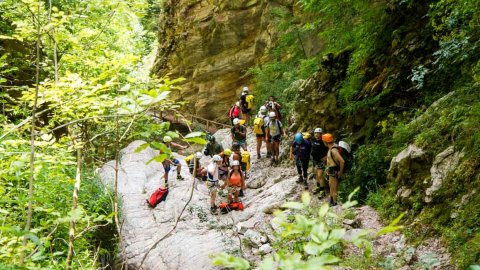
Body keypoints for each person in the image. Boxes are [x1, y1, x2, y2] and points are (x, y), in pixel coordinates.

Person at [322, 133, 345, 206]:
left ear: (325, 142)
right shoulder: (331, 148)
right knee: (331, 185)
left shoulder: (333, 150)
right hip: (331, 169)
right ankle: (331, 200)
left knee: (334, 186)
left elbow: (342, 161)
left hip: (334, 169)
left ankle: (334, 203)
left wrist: (340, 172)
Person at [311, 128, 329, 196]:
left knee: (320, 175)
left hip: (321, 161)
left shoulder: (324, 142)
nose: (316, 134)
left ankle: (322, 190)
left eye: (318, 133)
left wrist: (326, 157)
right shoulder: (314, 140)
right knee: (316, 175)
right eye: (315, 133)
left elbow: (329, 149)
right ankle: (318, 187)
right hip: (315, 161)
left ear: (321, 134)